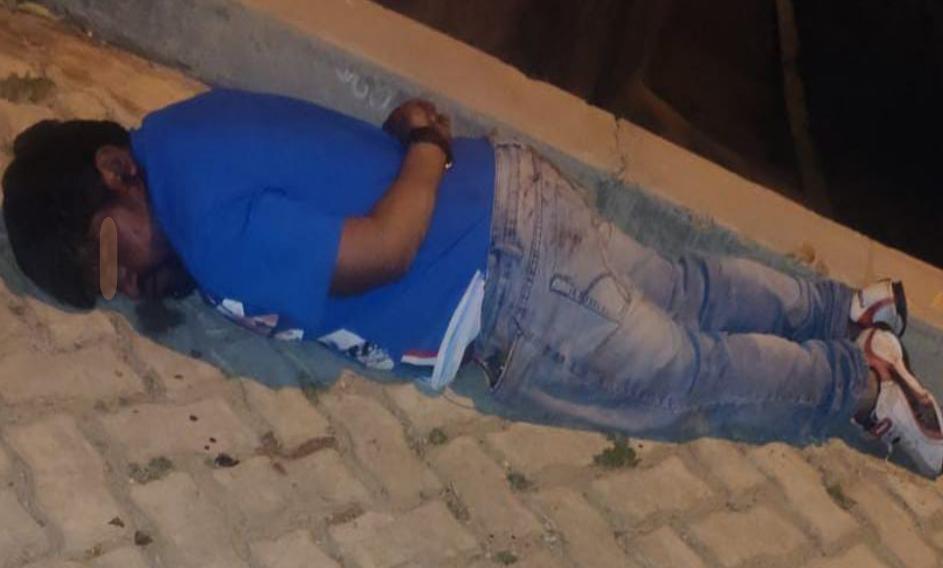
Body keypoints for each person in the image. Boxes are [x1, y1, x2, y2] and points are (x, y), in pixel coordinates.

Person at [3, 88, 941, 476]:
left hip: (503, 290)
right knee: (682, 288)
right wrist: (418, 147)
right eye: (110, 291)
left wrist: (424, 146)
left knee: (682, 379)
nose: (129, 287)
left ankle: (858, 391)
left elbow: (382, 253)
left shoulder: (208, 231)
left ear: (115, 172)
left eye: (111, 257)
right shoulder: (183, 130)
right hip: (516, 197)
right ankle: (846, 310)